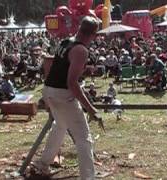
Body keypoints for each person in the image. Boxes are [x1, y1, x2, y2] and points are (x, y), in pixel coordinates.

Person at [35, 16, 99, 179]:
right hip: (63, 94)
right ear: (93, 34)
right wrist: (91, 109)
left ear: (79, 28)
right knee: (84, 139)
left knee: (60, 126)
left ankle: (42, 164)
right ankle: (88, 177)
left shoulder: (65, 42)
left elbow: (53, 64)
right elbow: (72, 83)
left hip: (50, 90)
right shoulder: (81, 50)